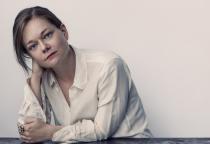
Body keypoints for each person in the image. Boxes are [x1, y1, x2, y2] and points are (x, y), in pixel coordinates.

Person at [13, 6, 152, 143]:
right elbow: (26, 131)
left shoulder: (109, 66)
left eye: (47, 35)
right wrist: (36, 77)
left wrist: (49, 132)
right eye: (33, 46)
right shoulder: (45, 77)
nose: (44, 47)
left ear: (64, 32)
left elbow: (101, 130)